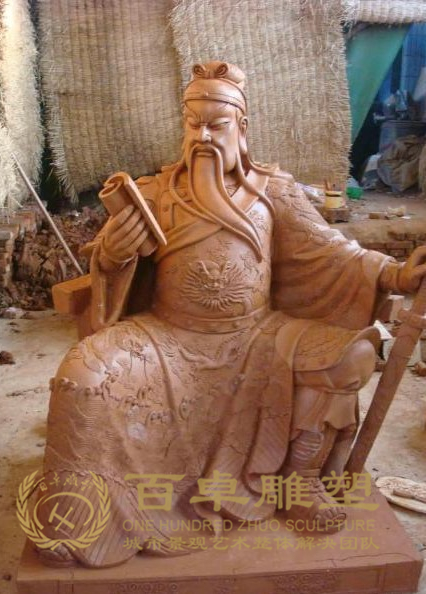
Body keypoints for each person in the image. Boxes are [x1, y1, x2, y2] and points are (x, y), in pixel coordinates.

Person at [40, 61, 426, 568]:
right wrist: (113, 255)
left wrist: (394, 274)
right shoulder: (155, 193)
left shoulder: (273, 190)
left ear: (240, 128)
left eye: (216, 125)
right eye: (193, 124)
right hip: (168, 337)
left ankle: (301, 484)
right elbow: (110, 271)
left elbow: (331, 252)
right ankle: (79, 519)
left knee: (351, 357)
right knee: (83, 373)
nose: (202, 136)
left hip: (259, 335)